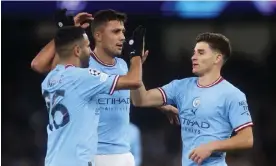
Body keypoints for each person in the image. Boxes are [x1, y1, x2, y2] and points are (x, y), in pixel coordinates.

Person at [31, 9, 178, 166]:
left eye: (123, 31)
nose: (122, 37)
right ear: (98, 36)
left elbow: (132, 93)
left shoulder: (122, 65)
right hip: (96, 154)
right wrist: (68, 33)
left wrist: (159, 105)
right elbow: (41, 65)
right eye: (115, 31)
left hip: (123, 152)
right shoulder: (81, 67)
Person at [131, 32, 254, 166]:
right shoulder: (181, 87)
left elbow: (247, 139)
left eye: (200, 53)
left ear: (217, 58)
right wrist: (135, 66)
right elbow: (141, 100)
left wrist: (211, 146)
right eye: (194, 53)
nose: (193, 57)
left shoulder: (233, 95)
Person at [41, 26, 144, 166]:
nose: (90, 51)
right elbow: (134, 81)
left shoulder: (50, 78)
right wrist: (135, 54)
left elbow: (37, 64)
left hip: (53, 160)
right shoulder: (83, 77)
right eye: (88, 46)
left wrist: (65, 30)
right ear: (77, 50)